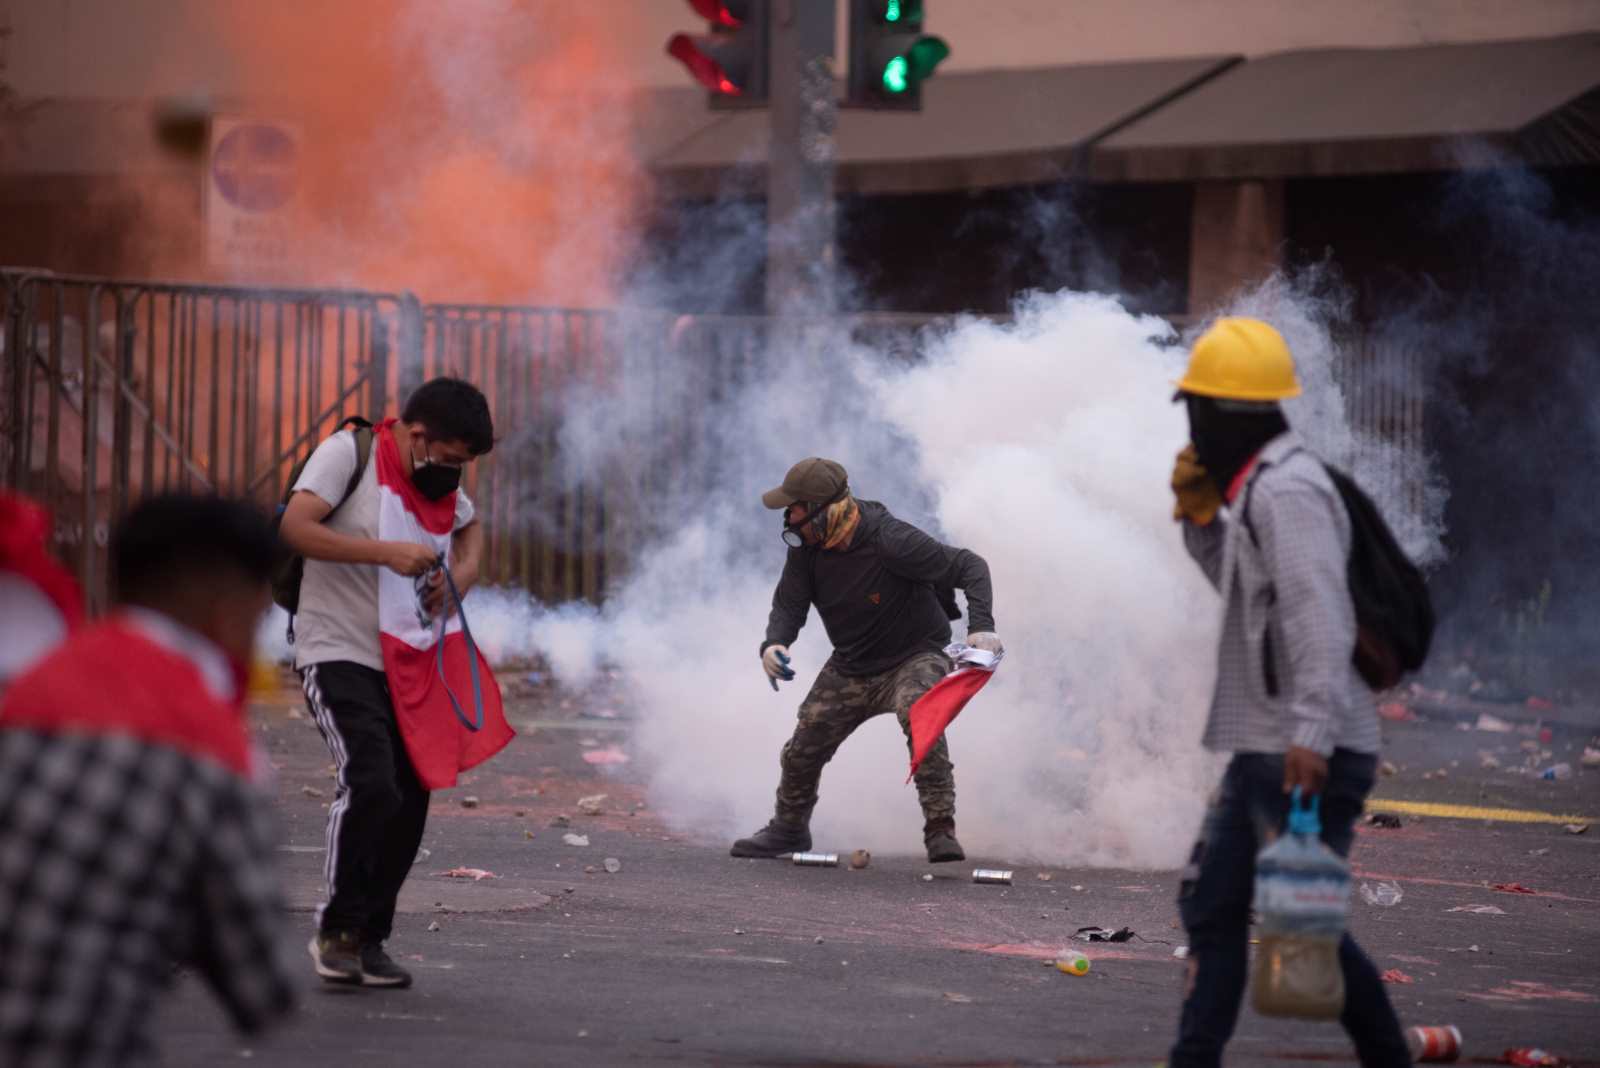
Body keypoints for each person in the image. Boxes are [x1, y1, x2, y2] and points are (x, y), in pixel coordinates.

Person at [1167, 318, 1410, 1067]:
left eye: (1198, 409)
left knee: (1304, 928)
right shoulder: (1263, 488)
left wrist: (1311, 732)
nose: (1191, 427)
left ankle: (1388, 1056)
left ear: (1228, 413)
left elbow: (1318, 615)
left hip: (1301, 748)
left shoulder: (1289, 491)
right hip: (1267, 746)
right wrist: (1199, 522)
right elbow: (1246, 599)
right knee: (1216, 908)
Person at [0, 494, 296, 1067]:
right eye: (260, 608)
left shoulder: (22, 687)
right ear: (225, 599)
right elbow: (266, 988)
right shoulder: (209, 751)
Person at [278, 376, 512, 989]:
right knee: (372, 781)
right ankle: (338, 929)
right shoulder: (347, 455)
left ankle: (369, 939)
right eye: (452, 459)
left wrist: (458, 575)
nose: (455, 474)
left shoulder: (443, 482)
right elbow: (295, 529)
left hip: (411, 655)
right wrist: (385, 553)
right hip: (338, 648)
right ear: (415, 436)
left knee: (411, 796)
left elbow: (470, 529)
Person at [732, 457, 1001, 863]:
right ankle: (788, 828)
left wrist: (981, 625)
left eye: (795, 508)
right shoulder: (808, 549)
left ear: (825, 510)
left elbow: (970, 566)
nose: (788, 516)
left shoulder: (891, 540)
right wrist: (774, 643)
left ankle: (940, 828)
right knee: (805, 743)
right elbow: (789, 604)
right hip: (852, 663)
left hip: (915, 653)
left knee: (920, 710)